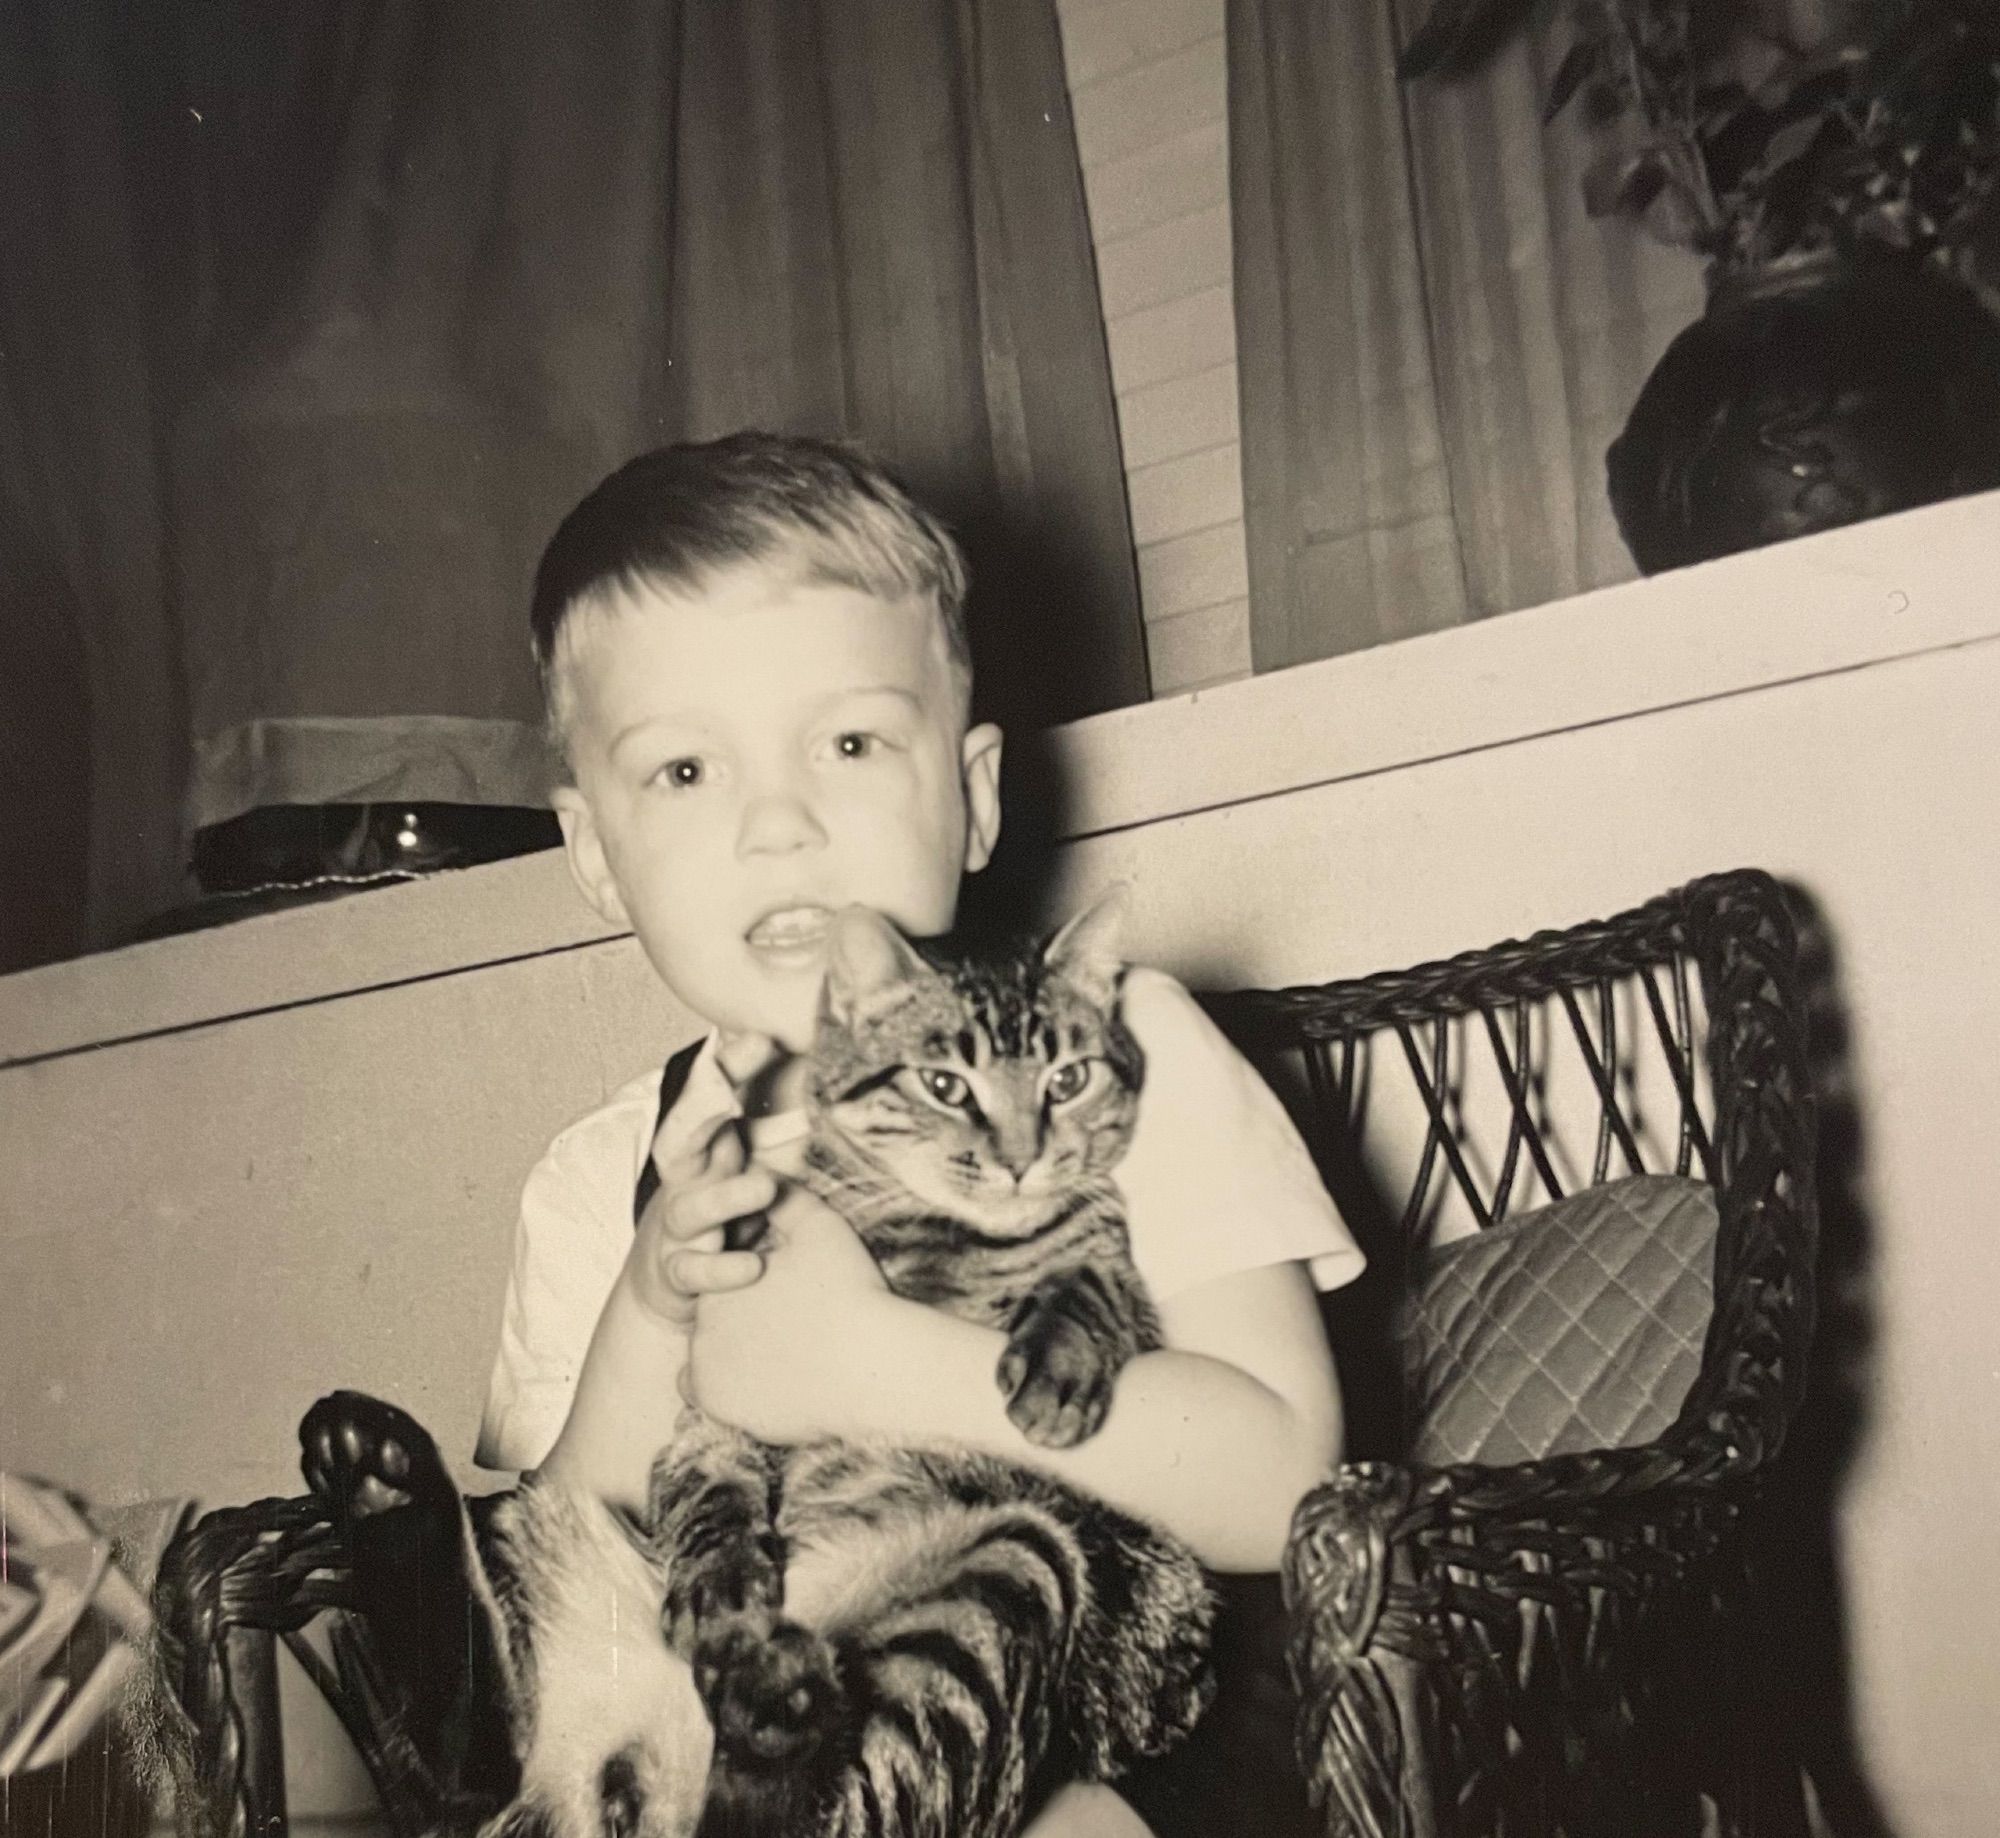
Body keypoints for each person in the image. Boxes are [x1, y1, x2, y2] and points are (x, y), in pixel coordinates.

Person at [476, 432, 1363, 1835]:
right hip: (729, 1715)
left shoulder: (1127, 1057)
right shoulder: (606, 1172)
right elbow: (569, 1542)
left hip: (1070, 1723)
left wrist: (878, 1360)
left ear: (978, 794)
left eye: (848, 741)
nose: (781, 823)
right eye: (687, 772)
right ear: (592, 852)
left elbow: (1286, 1483)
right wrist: (652, 1303)